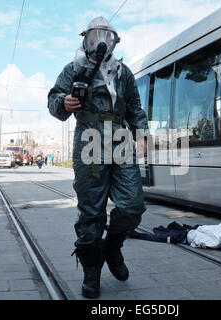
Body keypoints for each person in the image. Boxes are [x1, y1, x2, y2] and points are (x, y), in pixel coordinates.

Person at [48, 16, 148, 299]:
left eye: (108, 35)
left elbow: (135, 108)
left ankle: (112, 246)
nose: (102, 40)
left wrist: (142, 135)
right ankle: (92, 271)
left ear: (115, 40)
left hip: (119, 138)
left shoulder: (123, 72)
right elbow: (55, 100)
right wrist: (63, 102)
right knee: (91, 210)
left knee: (132, 205)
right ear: (86, 38)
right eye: (96, 35)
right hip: (88, 140)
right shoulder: (73, 69)